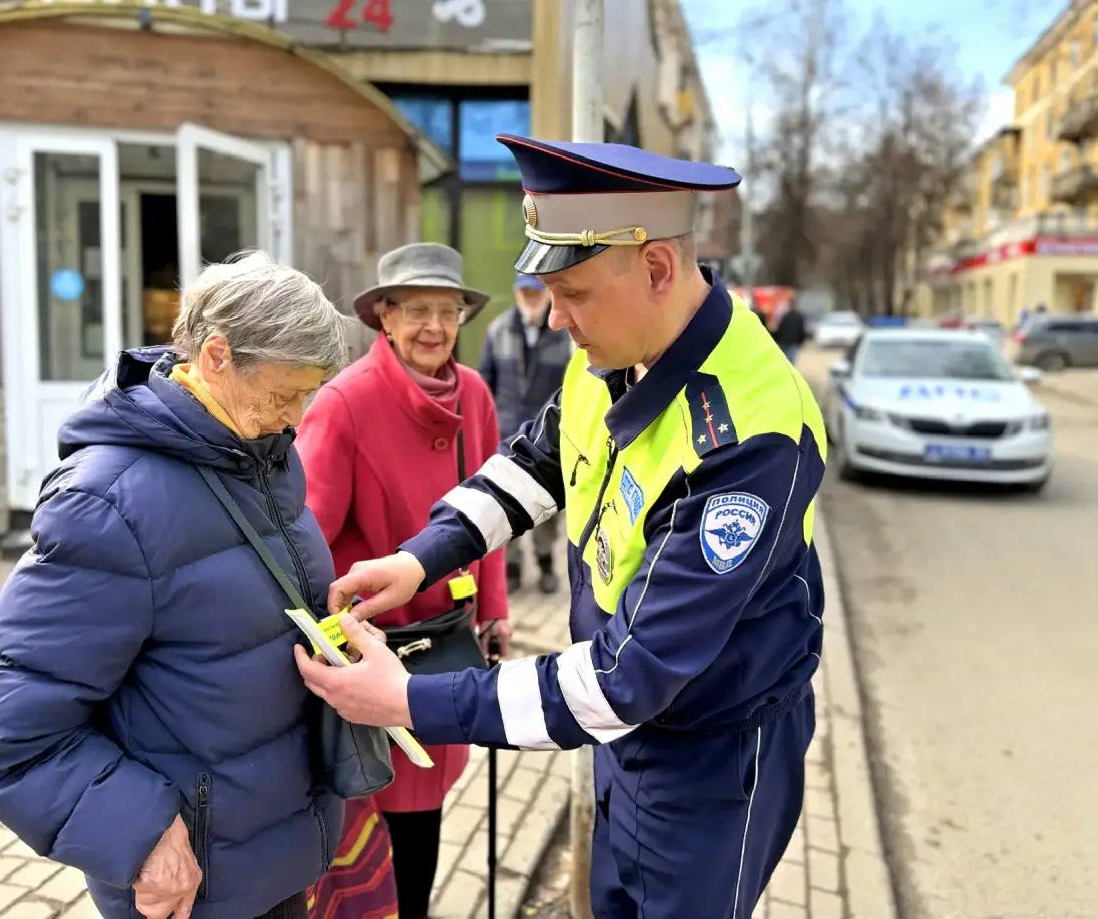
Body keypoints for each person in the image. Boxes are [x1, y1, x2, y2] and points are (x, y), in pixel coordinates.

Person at [294, 135, 827, 918]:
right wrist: (418, 559)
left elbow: (624, 678)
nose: (554, 323)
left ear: (655, 269)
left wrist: (412, 699)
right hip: (629, 733)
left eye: (571, 293)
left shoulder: (747, 439)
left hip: (709, 754)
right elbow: (535, 462)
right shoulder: (621, 345)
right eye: (549, 293)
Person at [0, 252, 347, 919]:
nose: (297, 415)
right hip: (193, 878)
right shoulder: (108, 503)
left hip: (275, 848)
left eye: (309, 392)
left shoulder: (257, 456)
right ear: (218, 355)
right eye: (286, 392)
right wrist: (135, 833)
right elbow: (13, 729)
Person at [295, 242, 511, 919]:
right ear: (383, 317)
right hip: (379, 659)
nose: (435, 327)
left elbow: (490, 513)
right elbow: (306, 541)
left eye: (447, 311)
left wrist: (495, 608)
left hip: (449, 650)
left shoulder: (473, 392)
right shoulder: (345, 403)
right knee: (385, 840)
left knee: (425, 827)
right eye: (417, 310)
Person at [478, 272, 573, 594]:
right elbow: (485, 382)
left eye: (536, 293)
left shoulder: (564, 334)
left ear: (547, 293)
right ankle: (513, 567)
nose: (531, 299)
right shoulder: (499, 330)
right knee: (507, 504)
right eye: (525, 293)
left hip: (549, 436)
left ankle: (546, 563)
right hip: (506, 433)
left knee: (548, 507)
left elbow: (571, 387)